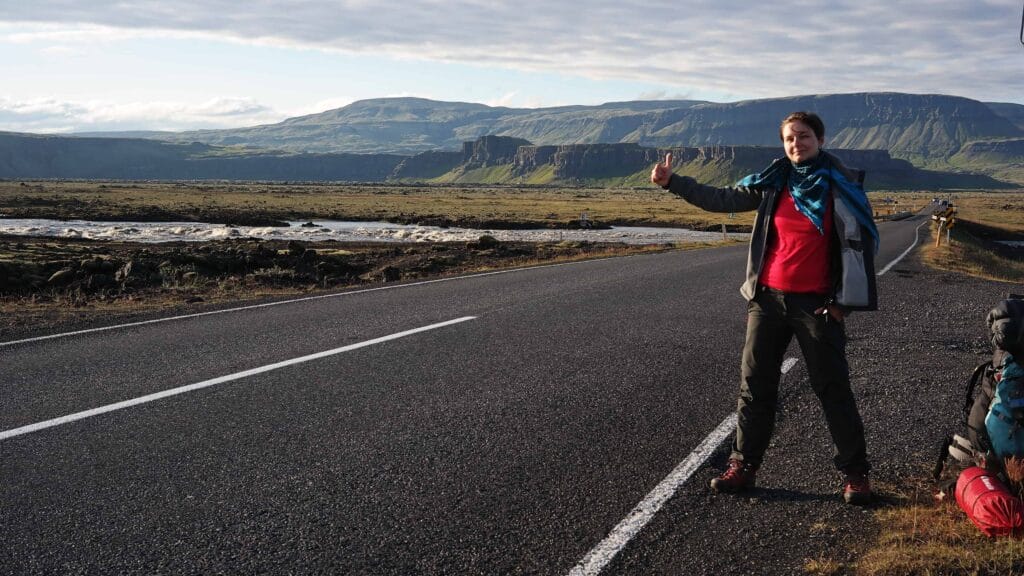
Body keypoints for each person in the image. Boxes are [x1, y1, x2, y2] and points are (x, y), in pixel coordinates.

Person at [650, 111, 879, 505]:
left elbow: (862, 246)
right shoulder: (774, 182)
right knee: (755, 389)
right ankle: (744, 466)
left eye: (803, 137)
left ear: (820, 140)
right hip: (767, 300)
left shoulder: (841, 187)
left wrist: (844, 303)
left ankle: (856, 475)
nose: (796, 144)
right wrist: (674, 183)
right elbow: (721, 199)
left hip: (817, 305)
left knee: (832, 389)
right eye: (790, 139)